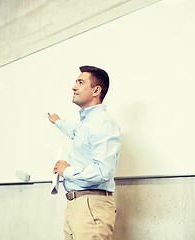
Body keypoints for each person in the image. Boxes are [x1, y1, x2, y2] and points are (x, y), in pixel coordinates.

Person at [48, 65, 121, 240]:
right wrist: (58, 122)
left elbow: (103, 171)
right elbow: (76, 132)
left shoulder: (102, 122)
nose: (74, 87)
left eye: (80, 82)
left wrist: (66, 171)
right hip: (78, 204)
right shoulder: (87, 123)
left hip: (91, 206)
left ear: (96, 90)